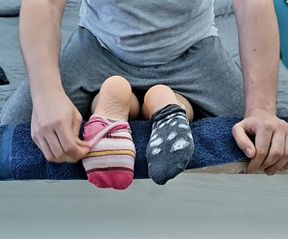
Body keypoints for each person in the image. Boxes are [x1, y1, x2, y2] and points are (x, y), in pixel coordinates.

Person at [1, 0, 288, 188]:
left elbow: (252, 3)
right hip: (98, 47)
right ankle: (166, 100)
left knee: (266, 139)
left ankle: (122, 98)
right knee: (13, 129)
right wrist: (46, 94)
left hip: (194, 53)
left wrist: (261, 109)